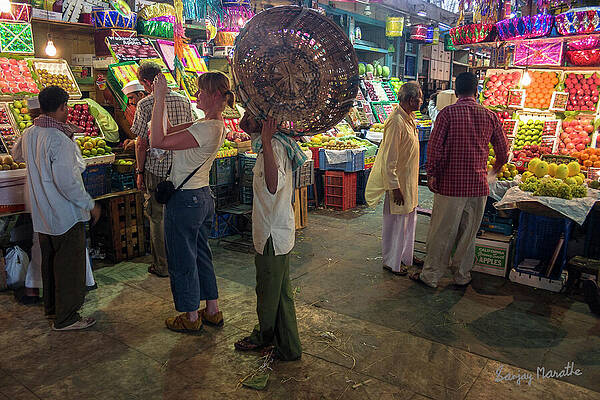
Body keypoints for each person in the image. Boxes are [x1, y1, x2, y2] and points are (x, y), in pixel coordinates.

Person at [13, 86, 101, 330]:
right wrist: (90, 204)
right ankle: (67, 318)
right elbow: (67, 182)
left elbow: (16, 153)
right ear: (63, 107)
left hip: (42, 215)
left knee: (50, 265)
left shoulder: (31, 132)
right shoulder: (59, 139)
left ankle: (53, 310)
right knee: (69, 268)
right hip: (65, 215)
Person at [149, 71, 230, 333]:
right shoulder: (211, 124)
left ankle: (191, 316)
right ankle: (212, 309)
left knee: (183, 258)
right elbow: (167, 130)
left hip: (186, 201)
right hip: (202, 197)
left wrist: (160, 97)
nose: (197, 95)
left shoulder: (207, 128)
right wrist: (157, 100)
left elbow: (157, 141)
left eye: (201, 91)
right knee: (201, 254)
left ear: (215, 95)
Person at [411, 72, 508, 289]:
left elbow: (434, 150)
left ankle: (431, 276)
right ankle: (462, 275)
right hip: (478, 187)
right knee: (468, 234)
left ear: (456, 91)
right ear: (477, 91)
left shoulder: (447, 114)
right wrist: (495, 170)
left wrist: (432, 174)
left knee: (442, 233)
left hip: (450, 185)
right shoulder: (490, 116)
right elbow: (503, 151)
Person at [233, 114, 305, 361]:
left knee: (268, 292)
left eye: (251, 116)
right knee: (281, 294)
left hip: (272, 234)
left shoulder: (273, 146)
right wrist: (262, 134)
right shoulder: (275, 143)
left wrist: (264, 138)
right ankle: (288, 346)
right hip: (276, 230)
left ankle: (263, 337)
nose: (245, 120)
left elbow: (273, 186)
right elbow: (244, 125)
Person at [132, 62, 194, 278]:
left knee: (157, 216)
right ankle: (182, 260)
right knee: (179, 215)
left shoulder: (146, 104)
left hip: (156, 170)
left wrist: (140, 171)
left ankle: (162, 265)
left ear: (148, 83)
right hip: (181, 168)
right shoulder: (184, 100)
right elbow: (191, 131)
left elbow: (141, 143)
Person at [365, 82, 423, 276]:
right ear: (409, 100)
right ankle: (391, 261)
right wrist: (394, 186)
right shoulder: (396, 121)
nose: (421, 102)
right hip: (399, 183)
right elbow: (389, 158)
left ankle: (406, 256)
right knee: (396, 224)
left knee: (408, 222)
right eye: (419, 98)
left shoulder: (409, 118)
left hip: (409, 181)